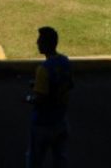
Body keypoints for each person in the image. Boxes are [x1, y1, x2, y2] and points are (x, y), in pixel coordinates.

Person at [26, 26, 73, 168]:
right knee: (60, 158)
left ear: (46, 44)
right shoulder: (65, 62)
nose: (37, 42)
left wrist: (28, 98)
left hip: (43, 123)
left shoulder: (43, 69)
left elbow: (40, 98)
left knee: (34, 159)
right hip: (60, 120)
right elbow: (68, 84)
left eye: (40, 40)